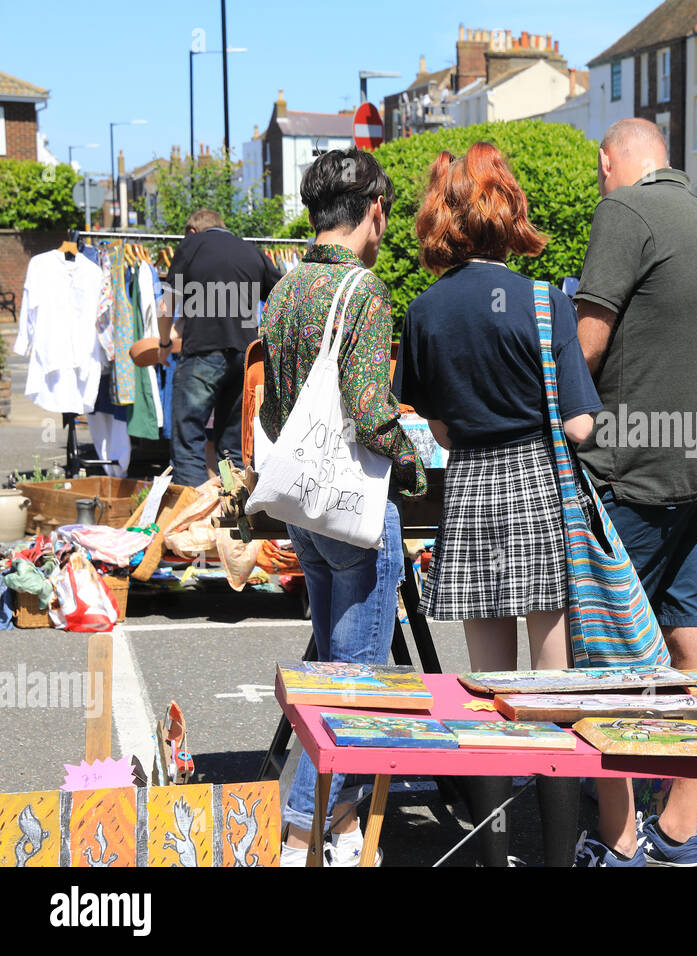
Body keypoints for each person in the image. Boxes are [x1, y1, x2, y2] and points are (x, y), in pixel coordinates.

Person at [399, 142, 603, 867]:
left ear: (440, 216)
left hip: (472, 485)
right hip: (538, 485)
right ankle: (553, 853)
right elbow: (580, 425)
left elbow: (440, 424)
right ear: (507, 207)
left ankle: (489, 855)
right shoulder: (546, 302)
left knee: (487, 685)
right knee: (549, 684)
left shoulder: (422, 312)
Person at [573, 118, 697, 866]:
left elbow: (586, 344)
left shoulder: (625, 212)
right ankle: (679, 826)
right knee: (693, 645)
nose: (601, 185)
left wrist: (580, 424)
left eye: (600, 172)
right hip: (692, 471)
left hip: (629, 470)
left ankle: (615, 841)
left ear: (612, 163)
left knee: (602, 659)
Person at [258, 147, 427, 866]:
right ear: (376, 210)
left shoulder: (285, 288)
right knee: (353, 688)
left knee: (330, 671)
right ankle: (301, 831)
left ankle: (344, 822)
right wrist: (412, 460)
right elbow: (366, 409)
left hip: (303, 504)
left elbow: (270, 405)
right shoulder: (364, 292)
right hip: (355, 509)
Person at [158, 209, 282, 487]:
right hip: (245, 358)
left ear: (192, 231)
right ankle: (232, 514)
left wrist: (164, 343)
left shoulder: (190, 245)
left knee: (188, 436)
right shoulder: (251, 251)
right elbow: (282, 294)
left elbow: (166, 304)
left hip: (203, 353)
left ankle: (192, 518)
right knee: (232, 447)